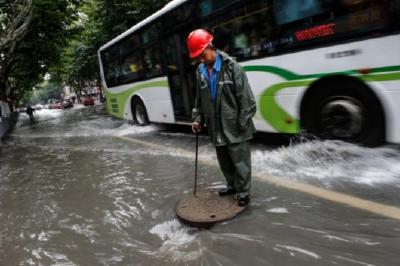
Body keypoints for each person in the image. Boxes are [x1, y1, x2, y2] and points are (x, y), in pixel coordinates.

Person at [187, 29, 257, 206]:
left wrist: (241, 124)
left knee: (240, 161)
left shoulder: (233, 68)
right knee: (224, 161)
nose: (201, 60)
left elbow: (247, 100)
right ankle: (232, 185)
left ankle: (243, 192)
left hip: (235, 125)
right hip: (215, 126)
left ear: (210, 47)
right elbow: (199, 100)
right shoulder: (201, 71)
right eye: (198, 57)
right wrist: (197, 119)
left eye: (203, 55)